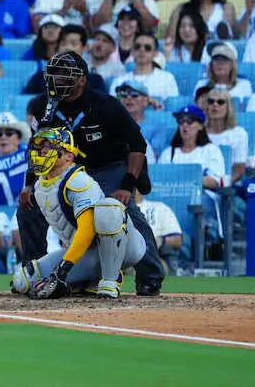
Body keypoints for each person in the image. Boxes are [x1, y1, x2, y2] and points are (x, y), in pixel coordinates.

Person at [20, 51, 166, 295]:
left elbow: (138, 145)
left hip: (108, 167)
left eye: (65, 73)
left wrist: (127, 184)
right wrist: (28, 184)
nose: (57, 79)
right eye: (54, 73)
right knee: (28, 208)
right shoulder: (40, 105)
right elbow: (37, 146)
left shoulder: (106, 105)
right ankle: (33, 274)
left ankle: (150, 275)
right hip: (63, 170)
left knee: (123, 210)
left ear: (82, 80)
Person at [10, 127, 148, 300]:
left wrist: (63, 269)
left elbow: (87, 230)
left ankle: (110, 279)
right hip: (87, 253)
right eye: (41, 148)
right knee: (22, 281)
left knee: (109, 207)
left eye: (51, 147)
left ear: (69, 156)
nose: (43, 151)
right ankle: (89, 280)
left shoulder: (78, 180)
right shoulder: (39, 186)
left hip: (128, 248)